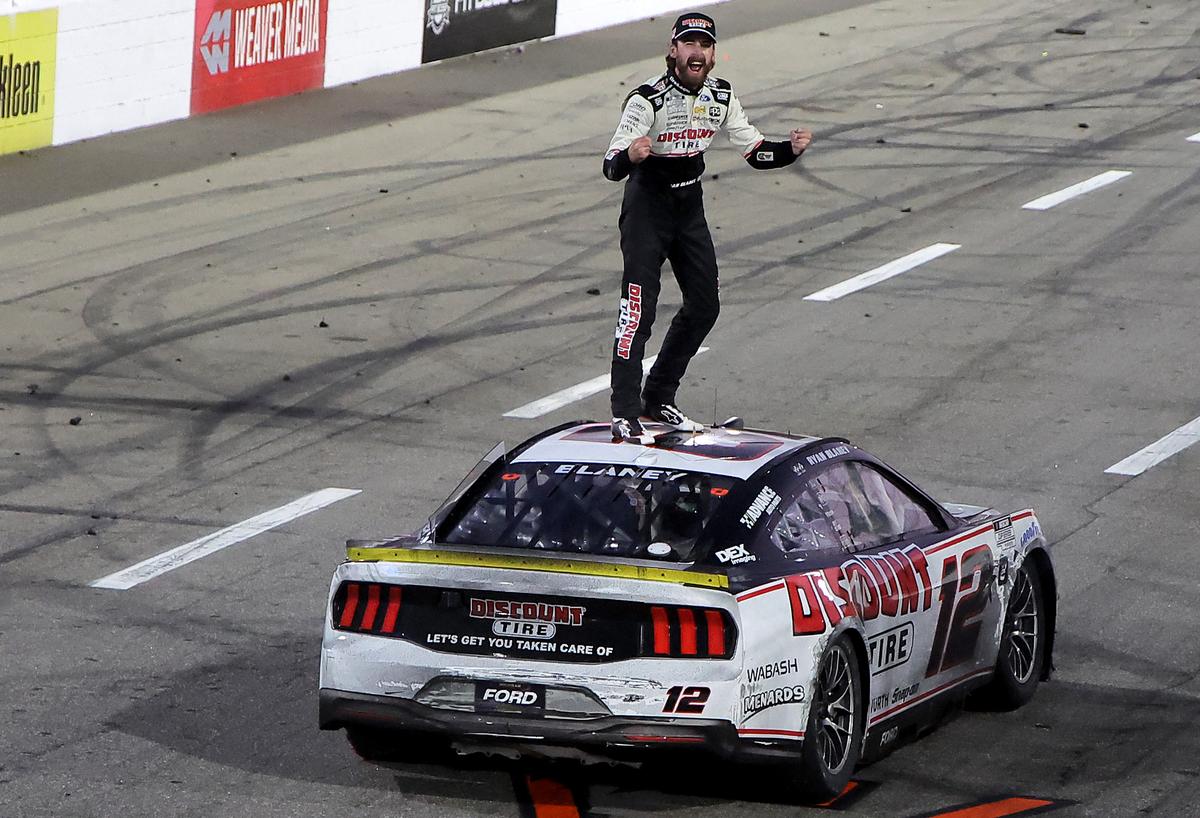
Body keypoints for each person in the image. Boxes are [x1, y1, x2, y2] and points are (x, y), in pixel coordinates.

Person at [603, 12, 813, 443]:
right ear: (672, 50)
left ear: (714, 54)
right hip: (647, 208)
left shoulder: (721, 95)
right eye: (689, 44)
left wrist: (789, 151)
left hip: (689, 206)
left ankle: (658, 394)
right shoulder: (647, 99)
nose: (697, 52)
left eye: (705, 45)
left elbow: (755, 151)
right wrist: (631, 156)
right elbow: (610, 165)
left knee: (705, 305)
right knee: (637, 311)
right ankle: (625, 410)